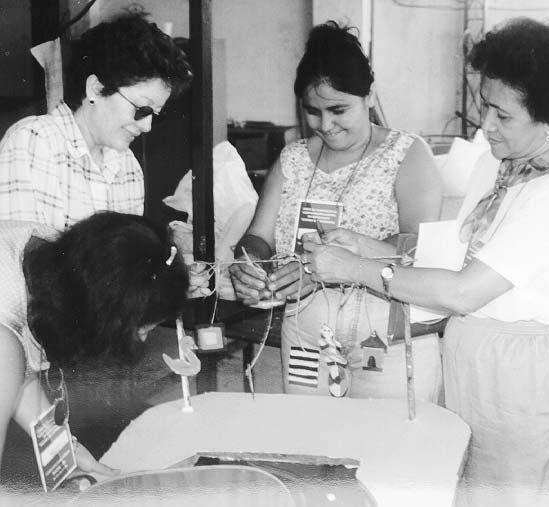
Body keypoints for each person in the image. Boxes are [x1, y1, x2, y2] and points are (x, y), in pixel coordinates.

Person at [301, 17, 549, 505]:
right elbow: (452, 260)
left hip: (522, 374)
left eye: (503, 116)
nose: (485, 126)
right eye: (485, 106)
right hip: (467, 357)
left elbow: (465, 290)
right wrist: (368, 246)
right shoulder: (494, 166)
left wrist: (355, 270)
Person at [228, 21, 443, 400]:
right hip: (305, 326)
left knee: (388, 444)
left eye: (338, 109)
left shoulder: (407, 154)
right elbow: (260, 235)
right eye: (312, 111)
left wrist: (327, 265)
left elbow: (416, 245)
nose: (325, 125)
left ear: (369, 97)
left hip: (382, 326)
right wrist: (248, 262)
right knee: (311, 436)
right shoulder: (293, 158)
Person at [0, 212, 189, 477]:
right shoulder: (3, 343)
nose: (143, 341)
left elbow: (22, 374)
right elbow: (9, 362)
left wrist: (69, 453)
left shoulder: (46, 254)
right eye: (142, 330)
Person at [0, 14, 193, 229]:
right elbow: (20, 255)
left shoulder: (128, 167)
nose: (146, 127)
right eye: (142, 109)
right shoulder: (34, 141)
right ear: (96, 89)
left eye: (155, 115)